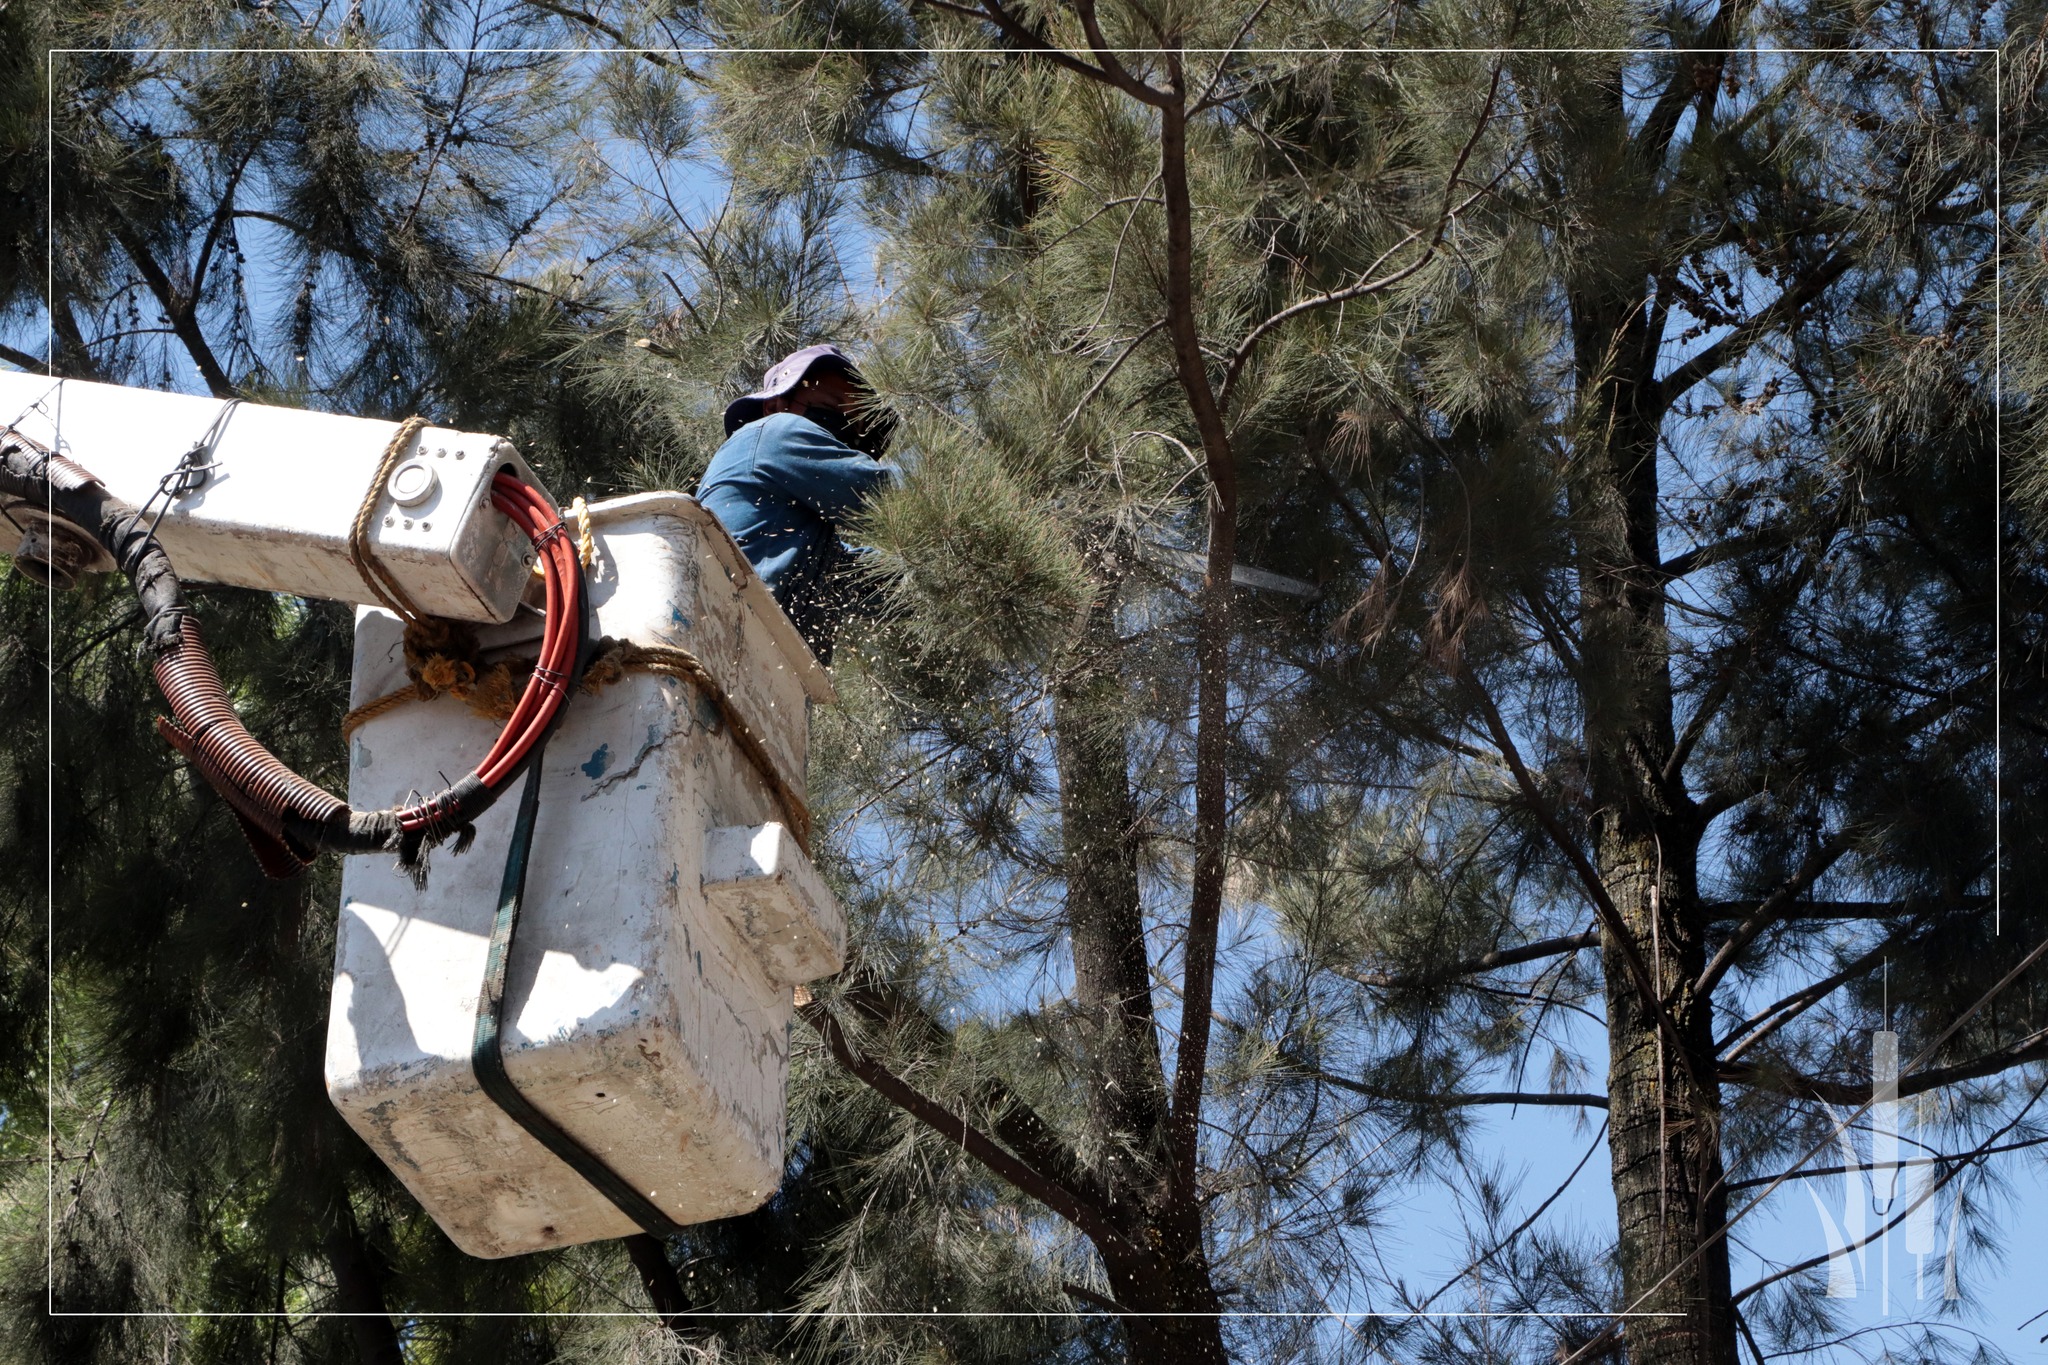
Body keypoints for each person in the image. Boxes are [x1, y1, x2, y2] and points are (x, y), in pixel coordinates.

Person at [694, 344, 894, 664]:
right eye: (833, 409)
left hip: (748, 660)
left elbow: (861, 577)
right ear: (775, 405)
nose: (846, 438)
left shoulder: (799, 539)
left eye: (855, 429)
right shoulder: (774, 431)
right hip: (722, 631)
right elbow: (889, 496)